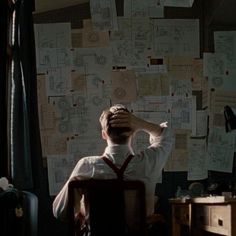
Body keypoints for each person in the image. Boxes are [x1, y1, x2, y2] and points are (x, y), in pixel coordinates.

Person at [53, 104, 174, 229]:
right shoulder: (148, 163)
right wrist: (139, 123)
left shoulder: (86, 166)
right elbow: (167, 136)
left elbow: (60, 212)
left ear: (104, 134)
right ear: (133, 132)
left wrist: (81, 212)